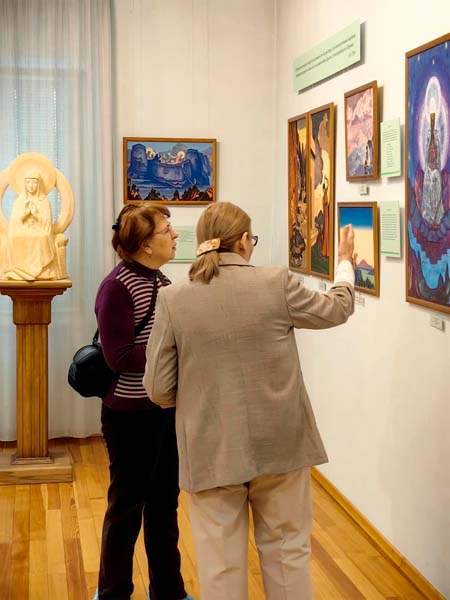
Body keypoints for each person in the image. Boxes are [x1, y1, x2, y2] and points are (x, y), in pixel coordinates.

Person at [143, 202, 355, 600]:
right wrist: (344, 263)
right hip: (282, 445)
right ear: (243, 241)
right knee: (288, 557)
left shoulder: (174, 298)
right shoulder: (275, 282)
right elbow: (337, 308)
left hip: (211, 449)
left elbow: (157, 387)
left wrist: (197, 397)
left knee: (221, 568)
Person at [94, 204, 194, 600]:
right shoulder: (116, 287)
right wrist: (170, 352)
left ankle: (169, 590)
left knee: (164, 506)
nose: (175, 235)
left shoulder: (161, 280)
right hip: (129, 416)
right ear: (145, 245)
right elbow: (118, 357)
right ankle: (113, 592)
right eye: (167, 229)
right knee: (125, 509)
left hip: (163, 411)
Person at [4, 171, 56, 280]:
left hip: (39, 230)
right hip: (23, 229)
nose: (31, 186)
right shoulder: (19, 201)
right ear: (24, 184)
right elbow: (14, 222)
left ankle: (40, 270)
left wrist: (36, 214)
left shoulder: (44, 201)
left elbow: (47, 224)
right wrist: (25, 214)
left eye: (34, 182)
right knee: (14, 237)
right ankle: (18, 270)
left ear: (39, 184)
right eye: (28, 182)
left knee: (42, 237)